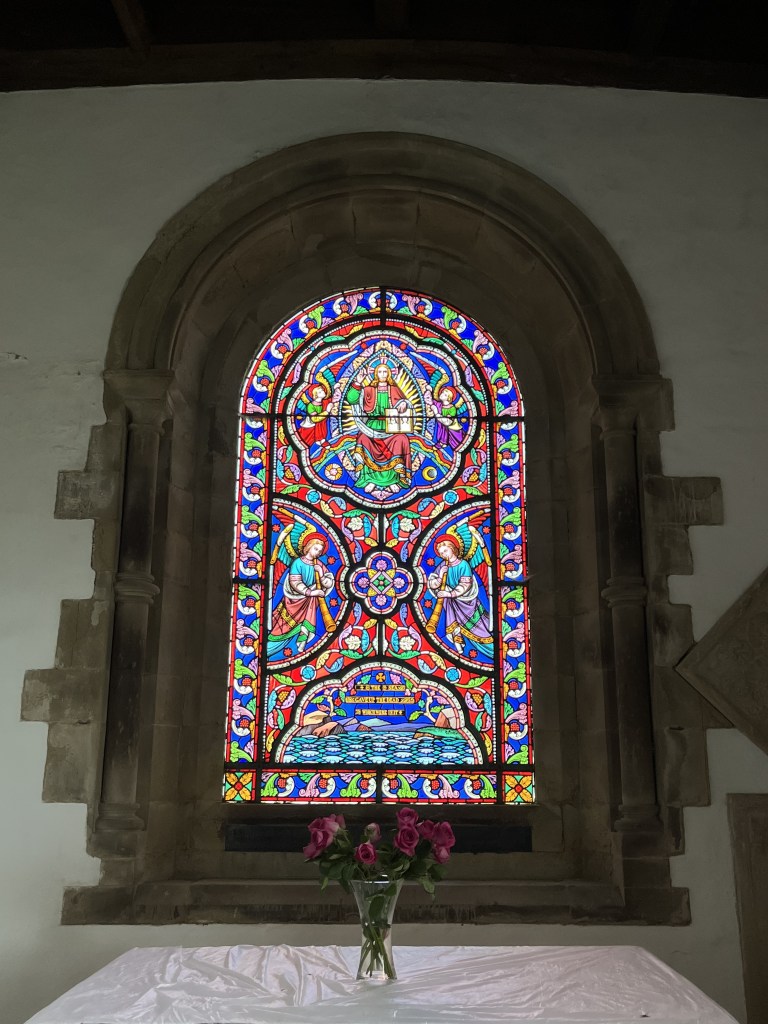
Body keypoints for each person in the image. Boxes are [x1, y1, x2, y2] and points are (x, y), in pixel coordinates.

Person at [346, 362, 413, 495]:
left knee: (402, 439)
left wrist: (404, 403)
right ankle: (369, 478)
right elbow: (351, 399)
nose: (383, 374)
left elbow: (406, 403)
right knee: (363, 438)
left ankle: (394, 479)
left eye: (385, 371)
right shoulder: (369, 390)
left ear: (389, 374)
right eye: (380, 371)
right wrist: (358, 383)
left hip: (391, 426)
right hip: (372, 426)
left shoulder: (395, 389)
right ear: (375, 374)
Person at [267, 532, 334, 659]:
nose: (317, 553)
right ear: (308, 547)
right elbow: (295, 583)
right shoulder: (298, 563)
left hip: (309, 605)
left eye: (320, 551)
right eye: (315, 549)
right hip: (293, 602)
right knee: (281, 629)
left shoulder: (319, 565)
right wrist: (310, 592)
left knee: (303, 626)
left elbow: (328, 583)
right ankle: (267, 649)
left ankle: (302, 642)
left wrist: (321, 574)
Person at [427, 534, 494, 656]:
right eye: (441, 553)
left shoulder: (463, 565)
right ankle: (457, 637)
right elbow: (432, 584)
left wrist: (450, 593)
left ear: (452, 548)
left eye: (445, 551)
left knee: (481, 631)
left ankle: (493, 650)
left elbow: (465, 585)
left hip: (468, 603)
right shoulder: (442, 566)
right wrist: (441, 576)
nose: (444, 555)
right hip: (453, 605)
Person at [298, 381, 333, 448]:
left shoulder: (325, 402)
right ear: (316, 395)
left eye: (322, 390)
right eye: (320, 392)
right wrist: (327, 411)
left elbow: (334, 400)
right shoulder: (311, 406)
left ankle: (322, 440)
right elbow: (314, 419)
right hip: (312, 427)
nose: (323, 391)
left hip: (323, 425)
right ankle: (320, 440)